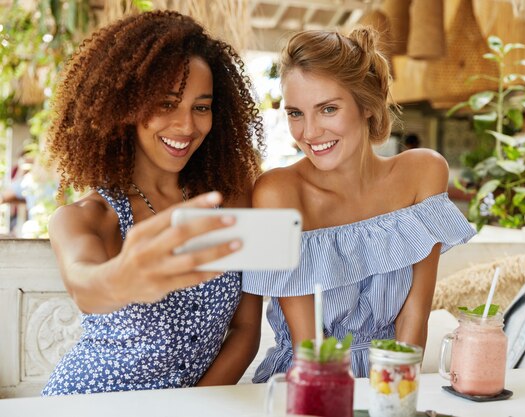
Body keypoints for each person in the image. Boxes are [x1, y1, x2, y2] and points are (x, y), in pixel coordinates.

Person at [41, 11, 264, 395]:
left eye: (201, 106)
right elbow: (85, 286)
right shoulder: (92, 216)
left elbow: (245, 331)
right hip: (87, 402)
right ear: (124, 107)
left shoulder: (233, 200)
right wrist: (123, 278)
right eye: (166, 103)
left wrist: (188, 409)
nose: (186, 126)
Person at [242, 27, 476, 382]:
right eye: (295, 113)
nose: (309, 132)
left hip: (392, 376)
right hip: (312, 381)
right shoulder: (277, 192)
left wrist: (396, 398)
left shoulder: (424, 173)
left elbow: (414, 317)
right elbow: (309, 347)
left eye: (328, 109)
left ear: (367, 105)